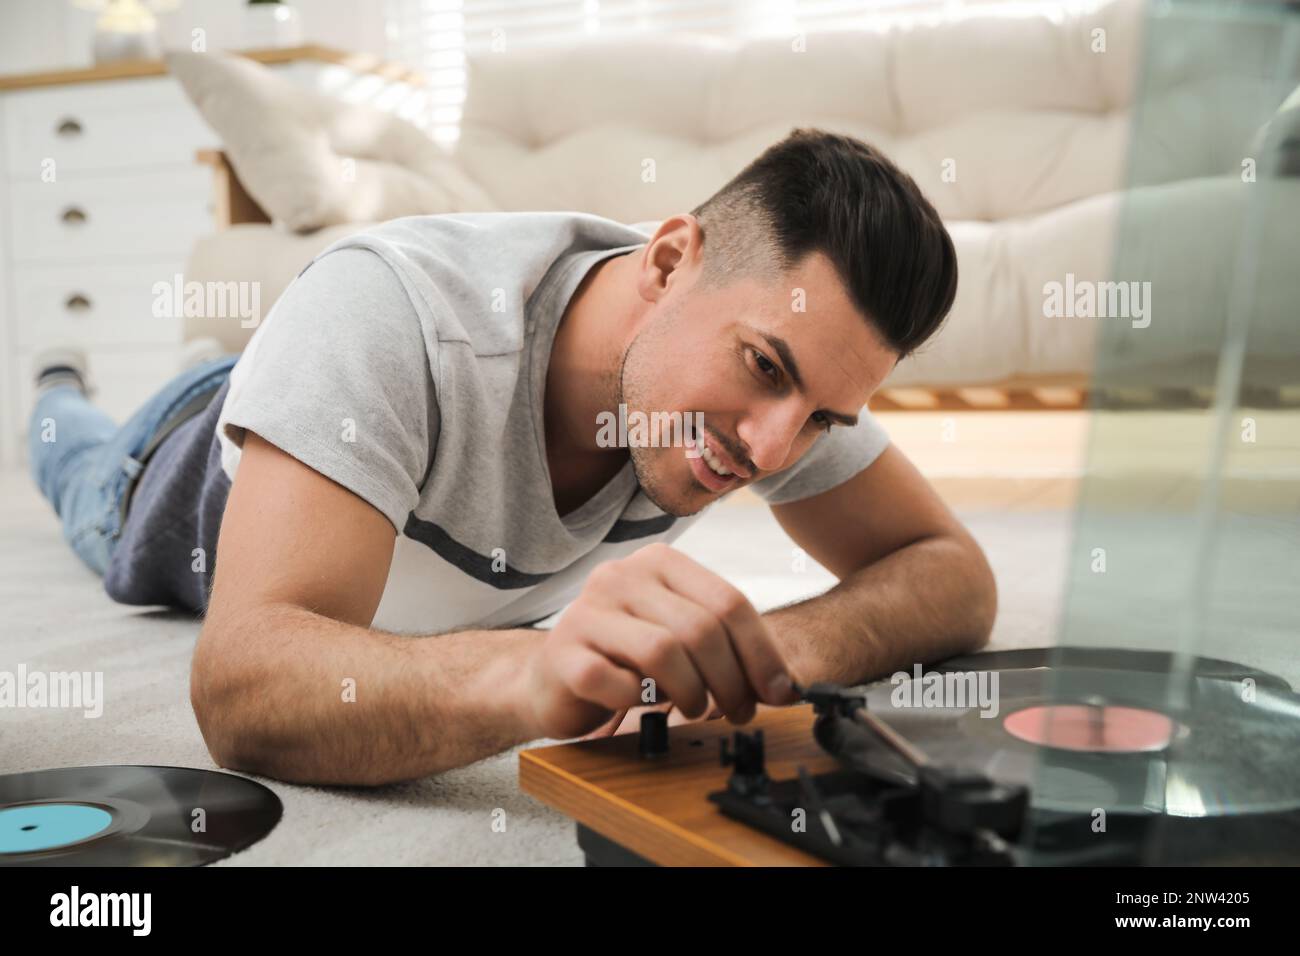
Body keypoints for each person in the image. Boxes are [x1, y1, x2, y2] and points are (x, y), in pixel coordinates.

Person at [28, 128, 995, 786]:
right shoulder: (392, 317)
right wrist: (534, 676)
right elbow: (242, 687)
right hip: (165, 469)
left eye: (824, 416)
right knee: (69, 460)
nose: (771, 448)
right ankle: (59, 391)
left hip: (318, 380)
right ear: (667, 264)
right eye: (762, 367)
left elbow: (951, 575)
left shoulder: (775, 386)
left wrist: (775, 655)